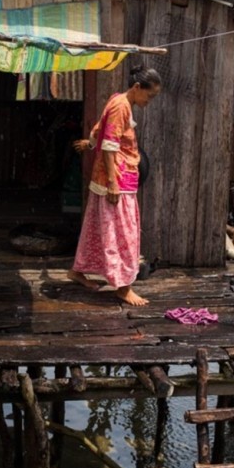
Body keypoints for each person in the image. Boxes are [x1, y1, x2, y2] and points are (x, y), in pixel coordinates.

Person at [67, 65, 162, 307]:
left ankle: (78, 271)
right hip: (116, 179)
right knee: (122, 234)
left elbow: (100, 130)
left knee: (97, 228)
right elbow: (109, 145)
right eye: (149, 96)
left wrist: (89, 145)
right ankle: (123, 287)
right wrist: (112, 183)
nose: (149, 102)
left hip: (110, 177)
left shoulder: (118, 100)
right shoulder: (121, 106)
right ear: (137, 87)